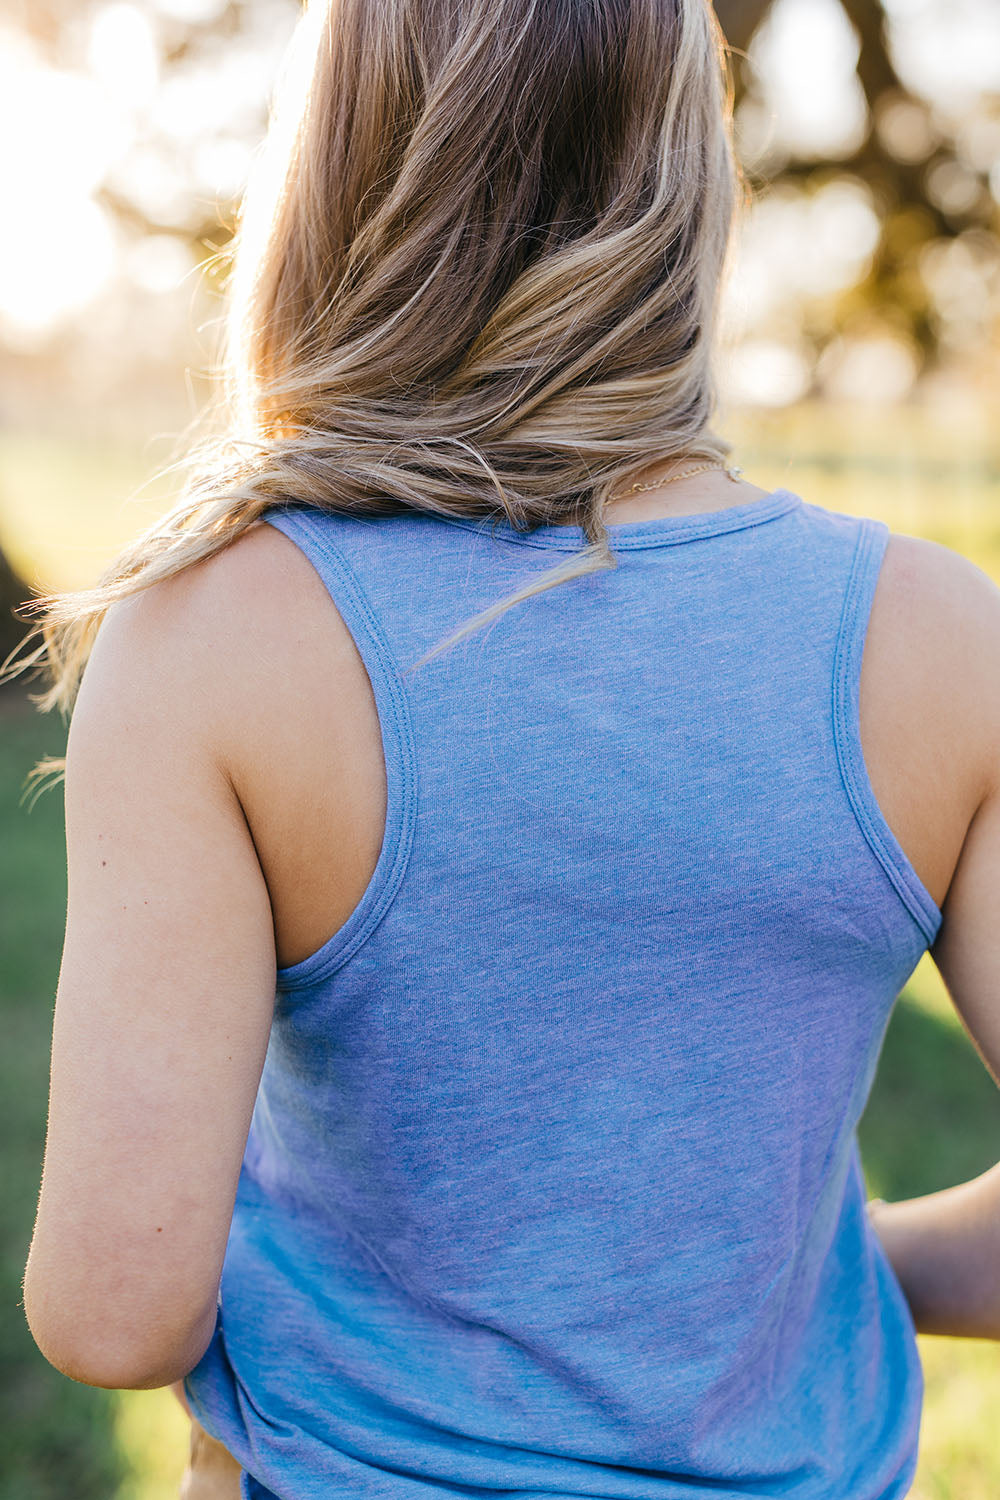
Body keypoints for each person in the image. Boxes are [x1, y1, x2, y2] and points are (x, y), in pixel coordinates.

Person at [13, 0, 1000, 1496]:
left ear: (335, 177)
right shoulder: (937, 638)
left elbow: (115, 1306)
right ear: (695, 184)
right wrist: (865, 1271)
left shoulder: (211, 639)